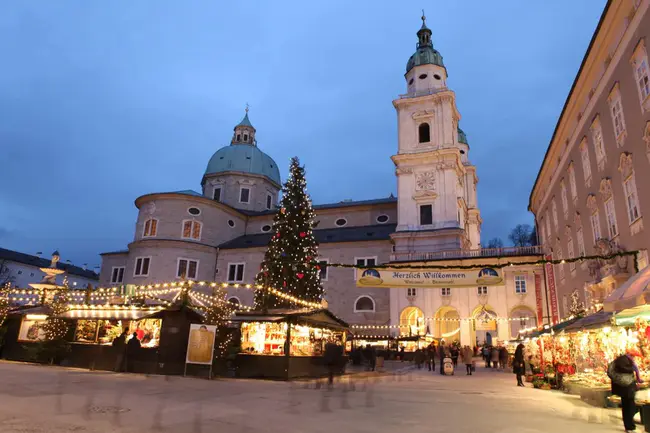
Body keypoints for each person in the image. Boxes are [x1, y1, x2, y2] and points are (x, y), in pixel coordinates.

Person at [609, 350, 643, 432]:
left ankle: (629, 426)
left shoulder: (625, 359)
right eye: (634, 356)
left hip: (626, 386)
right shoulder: (623, 360)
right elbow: (623, 369)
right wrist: (633, 368)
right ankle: (630, 426)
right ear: (631, 355)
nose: (635, 358)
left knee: (628, 406)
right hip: (626, 387)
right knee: (629, 406)